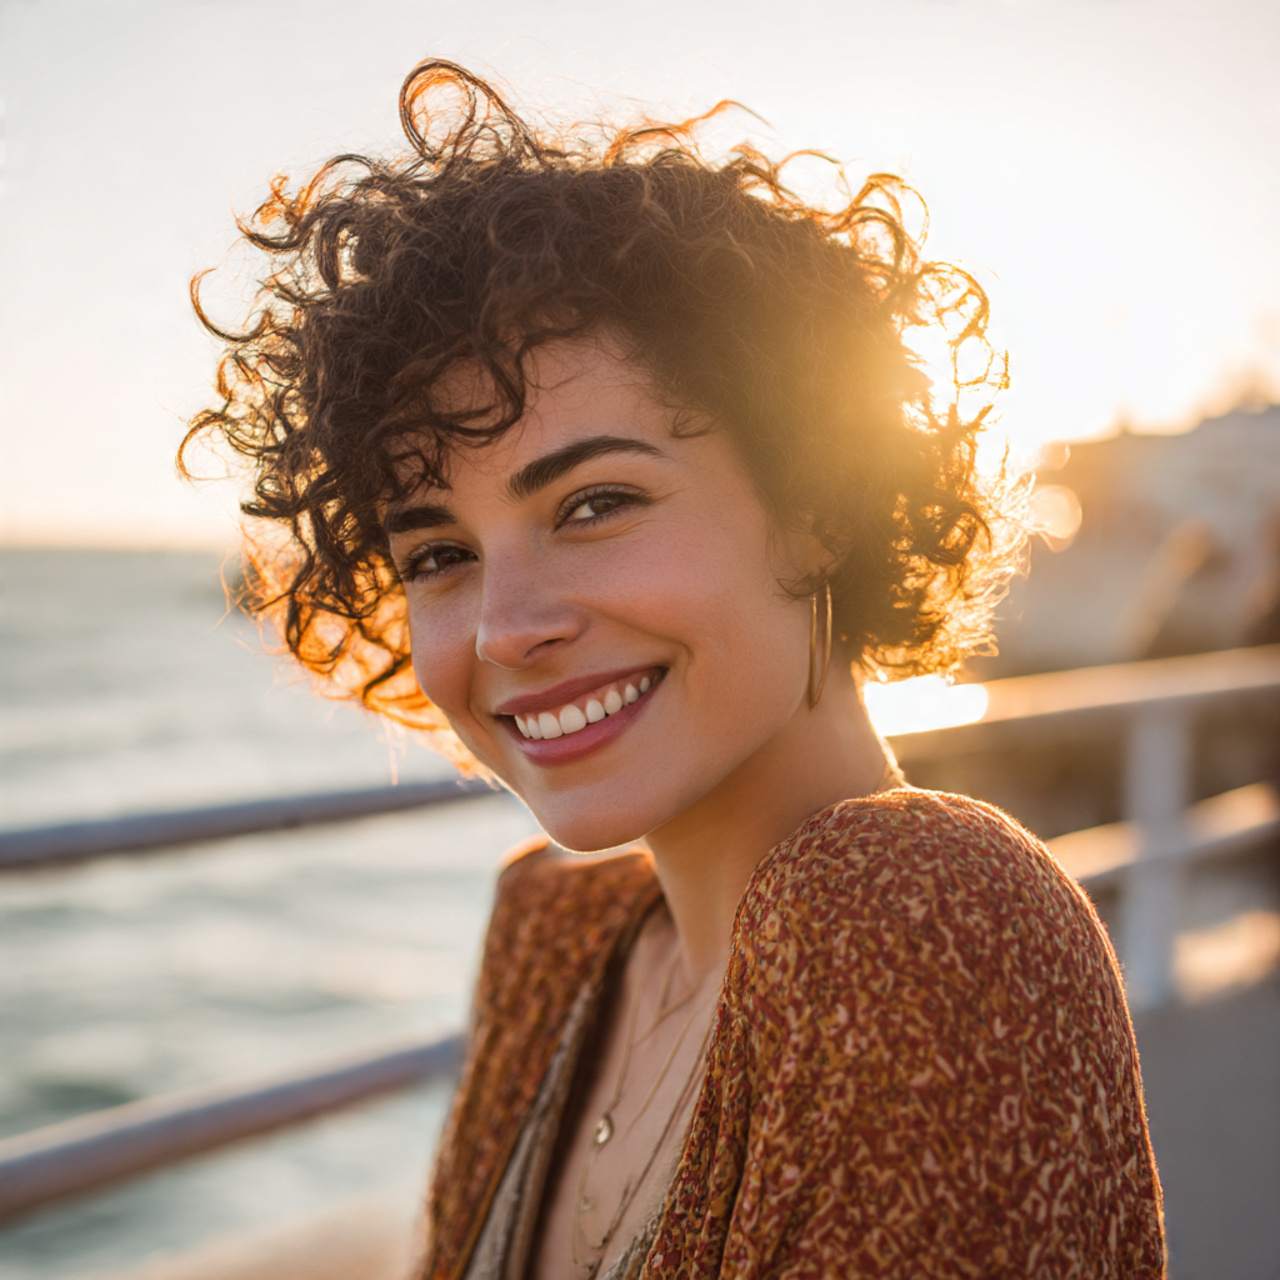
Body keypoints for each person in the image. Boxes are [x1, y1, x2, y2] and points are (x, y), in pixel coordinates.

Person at [183, 60, 1165, 1279]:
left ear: (815, 506)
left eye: (595, 501)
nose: (503, 625)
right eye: (438, 551)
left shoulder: (924, 908)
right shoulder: (553, 929)